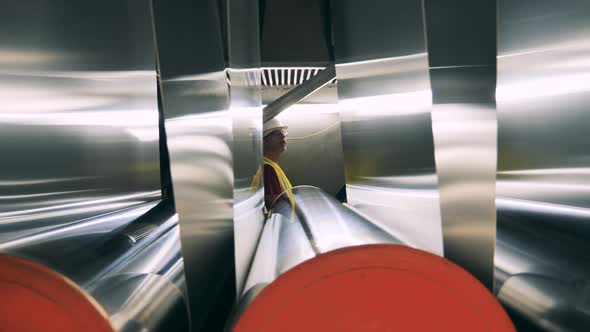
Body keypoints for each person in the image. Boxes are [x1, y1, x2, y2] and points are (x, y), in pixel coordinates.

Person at [263, 118, 294, 210]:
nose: (283, 136)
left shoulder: (272, 166)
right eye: (277, 133)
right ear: (264, 141)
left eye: (283, 132)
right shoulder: (267, 168)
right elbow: (276, 205)